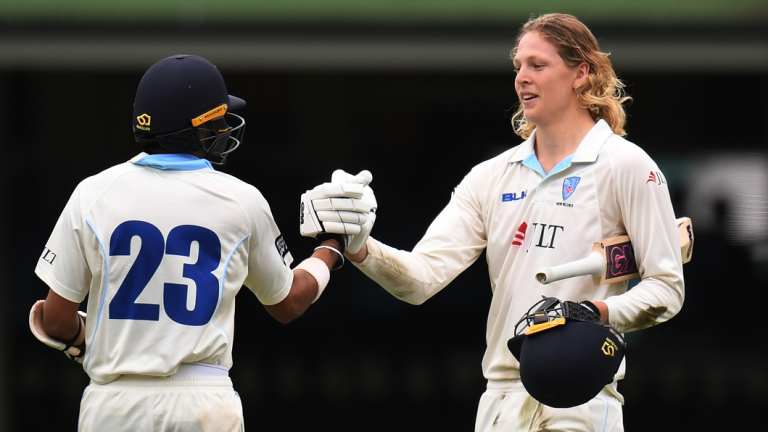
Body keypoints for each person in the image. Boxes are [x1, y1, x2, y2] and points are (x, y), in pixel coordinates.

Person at [306, 13, 685, 431]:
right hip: (500, 402)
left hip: (582, 399)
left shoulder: (626, 165)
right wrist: (361, 246)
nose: (522, 77)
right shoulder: (490, 176)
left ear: (582, 73)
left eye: (538, 65)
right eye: (518, 66)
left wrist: (598, 310)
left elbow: (666, 288)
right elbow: (419, 280)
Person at [28, 54, 368, 431]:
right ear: (199, 127)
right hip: (203, 401)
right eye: (218, 120)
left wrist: (91, 340)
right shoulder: (241, 199)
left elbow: (55, 320)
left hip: (112, 402)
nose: (223, 128)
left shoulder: (91, 193)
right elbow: (287, 302)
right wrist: (331, 247)